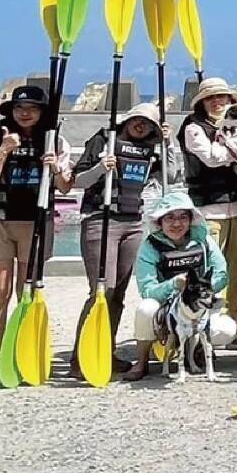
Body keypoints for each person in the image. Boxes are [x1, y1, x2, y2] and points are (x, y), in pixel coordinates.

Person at [0, 83, 72, 381]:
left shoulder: (55, 142)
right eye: (19, 108)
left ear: (42, 113)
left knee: (26, 290)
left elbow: (65, 186)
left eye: (32, 109)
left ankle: (24, 348)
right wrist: (2, 152)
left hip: (35, 222)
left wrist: (55, 168)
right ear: (11, 112)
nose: (25, 113)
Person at [69, 102, 173, 375]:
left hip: (134, 223)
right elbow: (76, 181)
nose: (142, 126)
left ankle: (106, 349)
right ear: (127, 120)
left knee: (119, 294)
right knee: (102, 290)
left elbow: (170, 177)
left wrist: (169, 144)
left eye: (148, 123)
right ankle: (80, 357)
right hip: (101, 220)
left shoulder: (154, 147)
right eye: (138, 120)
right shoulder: (105, 139)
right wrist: (101, 168)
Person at [122, 190, 237, 381]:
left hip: (197, 303)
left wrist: (200, 290)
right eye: (170, 218)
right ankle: (142, 361)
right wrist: (174, 285)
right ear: (159, 221)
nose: (177, 224)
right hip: (167, 308)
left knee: (227, 329)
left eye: (183, 217)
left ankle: (196, 347)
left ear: (191, 219)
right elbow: (147, 290)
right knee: (145, 309)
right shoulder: (149, 247)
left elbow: (221, 274)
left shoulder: (204, 241)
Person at [178, 78, 237, 324]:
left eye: (222, 97)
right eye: (211, 98)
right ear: (202, 102)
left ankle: (236, 321)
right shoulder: (193, 127)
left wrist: (232, 149)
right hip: (208, 209)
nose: (216, 102)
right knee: (211, 267)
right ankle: (207, 321)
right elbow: (212, 158)